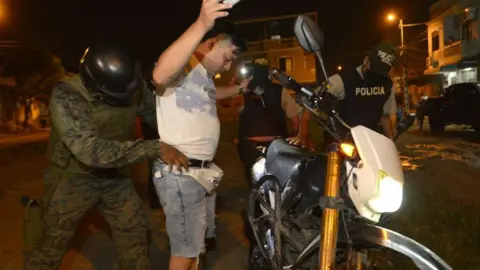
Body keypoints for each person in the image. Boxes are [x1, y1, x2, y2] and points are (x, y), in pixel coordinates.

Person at [25, 40, 188, 270]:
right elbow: (91, 152)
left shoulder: (130, 84)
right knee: (51, 244)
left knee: (135, 235)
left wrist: (187, 134)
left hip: (115, 178)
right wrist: (156, 148)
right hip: (72, 180)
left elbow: (157, 115)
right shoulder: (68, 96)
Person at [151, 1, 250, 269]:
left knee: (195, 249)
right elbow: (160, 75)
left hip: (199, 174)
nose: (229, 64)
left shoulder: (203, 76)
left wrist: (238, 89)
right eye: (228, 56)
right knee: (184, 252)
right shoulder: (182, 65)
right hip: (181, 174)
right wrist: (202, 23)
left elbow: (210, 95)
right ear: (211, 43)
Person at [236, 61, 311, 185]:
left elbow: (232, 110)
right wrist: (296, 136)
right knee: (279, 182)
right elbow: (295, 119)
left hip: (250, 146)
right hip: (276, 145)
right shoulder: (280, 90)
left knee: (255, 184)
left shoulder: (243, 91)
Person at [323, 43, 398, 142]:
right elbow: (311, 102)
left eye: (381, 71)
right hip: (342, 141)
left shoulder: (387, 85)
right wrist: (303, 135)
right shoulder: (343, 80)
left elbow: (385, 117)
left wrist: (390, 142)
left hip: (372, 142)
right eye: (375, 68)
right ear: (366, 60)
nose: (376, 74)